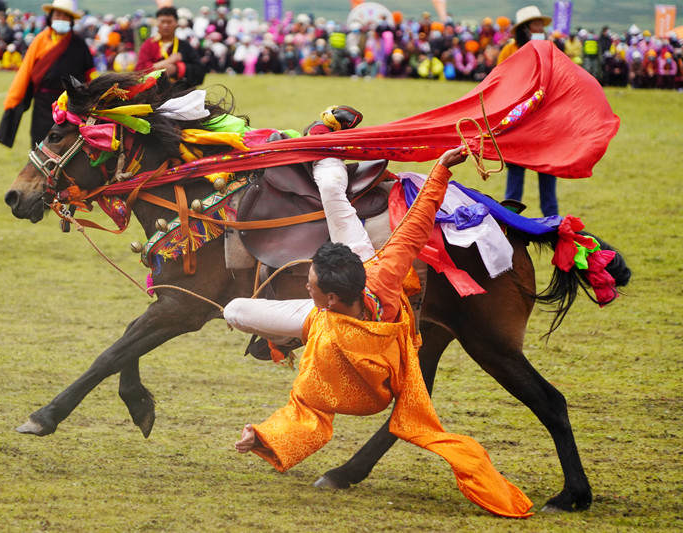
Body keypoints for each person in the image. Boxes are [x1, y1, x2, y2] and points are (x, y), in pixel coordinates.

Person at [225, 115, 533, 518]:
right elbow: (417, 223)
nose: (305, 284)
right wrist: (440, 168)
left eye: (311, 285)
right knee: (334, 193)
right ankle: (328, 143)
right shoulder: (380, 272)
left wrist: (263, 435)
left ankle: (322, 143)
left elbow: (309, 408)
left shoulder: (324, 334)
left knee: (234, 310)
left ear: (328, 298)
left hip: (342, 345)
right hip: (362, 293)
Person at [0, 0, 94, 148]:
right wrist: (14, 101)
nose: (60, 19)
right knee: (40, 145)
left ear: (71, 20)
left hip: (71, 106)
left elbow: (90, 76)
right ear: (50, 17)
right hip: (43, 105)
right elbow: (26, 72)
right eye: (57, 15)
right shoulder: (40, 40)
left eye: (65, 16)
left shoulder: (80, 44)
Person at [497, 5, 558, 217]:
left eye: (541, 23)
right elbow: (500, 81)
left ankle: (552, 221)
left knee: (548, 171)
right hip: (519, 119)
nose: (541, 27)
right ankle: (509, 220)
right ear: (525, 28)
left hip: (544, 120)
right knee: (515, 173)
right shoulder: (509, 51)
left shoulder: (551, 48)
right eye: (536, 23)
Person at [135, 6, 205, 87]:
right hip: (154, 92)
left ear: (176, 23)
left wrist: (177, 69)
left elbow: (200, 71)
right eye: (162, 22)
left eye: (169, 22)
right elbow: (139, 71)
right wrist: (167, 62)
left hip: (181, 91)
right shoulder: (149, 44)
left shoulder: (185, 46)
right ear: (157, 23)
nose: (165, 25)